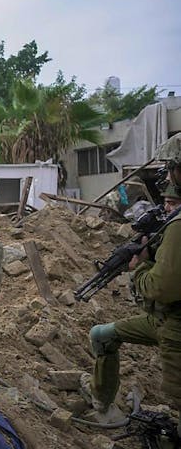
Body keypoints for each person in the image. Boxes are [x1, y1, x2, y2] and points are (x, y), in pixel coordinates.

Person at [89, 135, 181, 431]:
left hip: (175, 326)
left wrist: (139, 266)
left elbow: (161, 287)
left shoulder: (178, 227)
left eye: (172, 168)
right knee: (103, 335)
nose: (168, 175)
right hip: (164, 319)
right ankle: (102, 406)